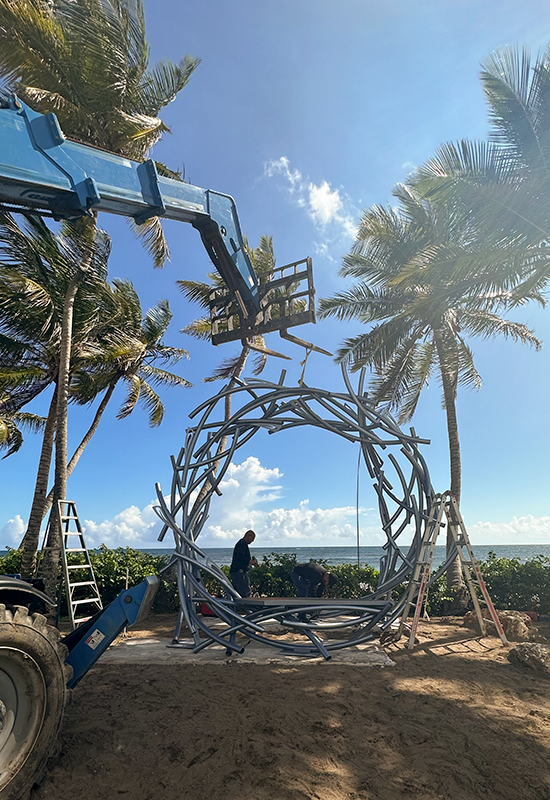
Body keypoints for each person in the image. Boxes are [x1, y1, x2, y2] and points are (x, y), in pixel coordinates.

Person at [229, 530, 259, 598]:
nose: (252, 541)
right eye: (252, 539)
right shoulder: (242, 544)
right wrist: (249, 561)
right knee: (245, 592)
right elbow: (240, 557)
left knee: (238, 592)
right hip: (239, 573)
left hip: (237, 572)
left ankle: (238, 607)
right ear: (248, 536)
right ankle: (245, 607)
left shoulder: (241, 544)